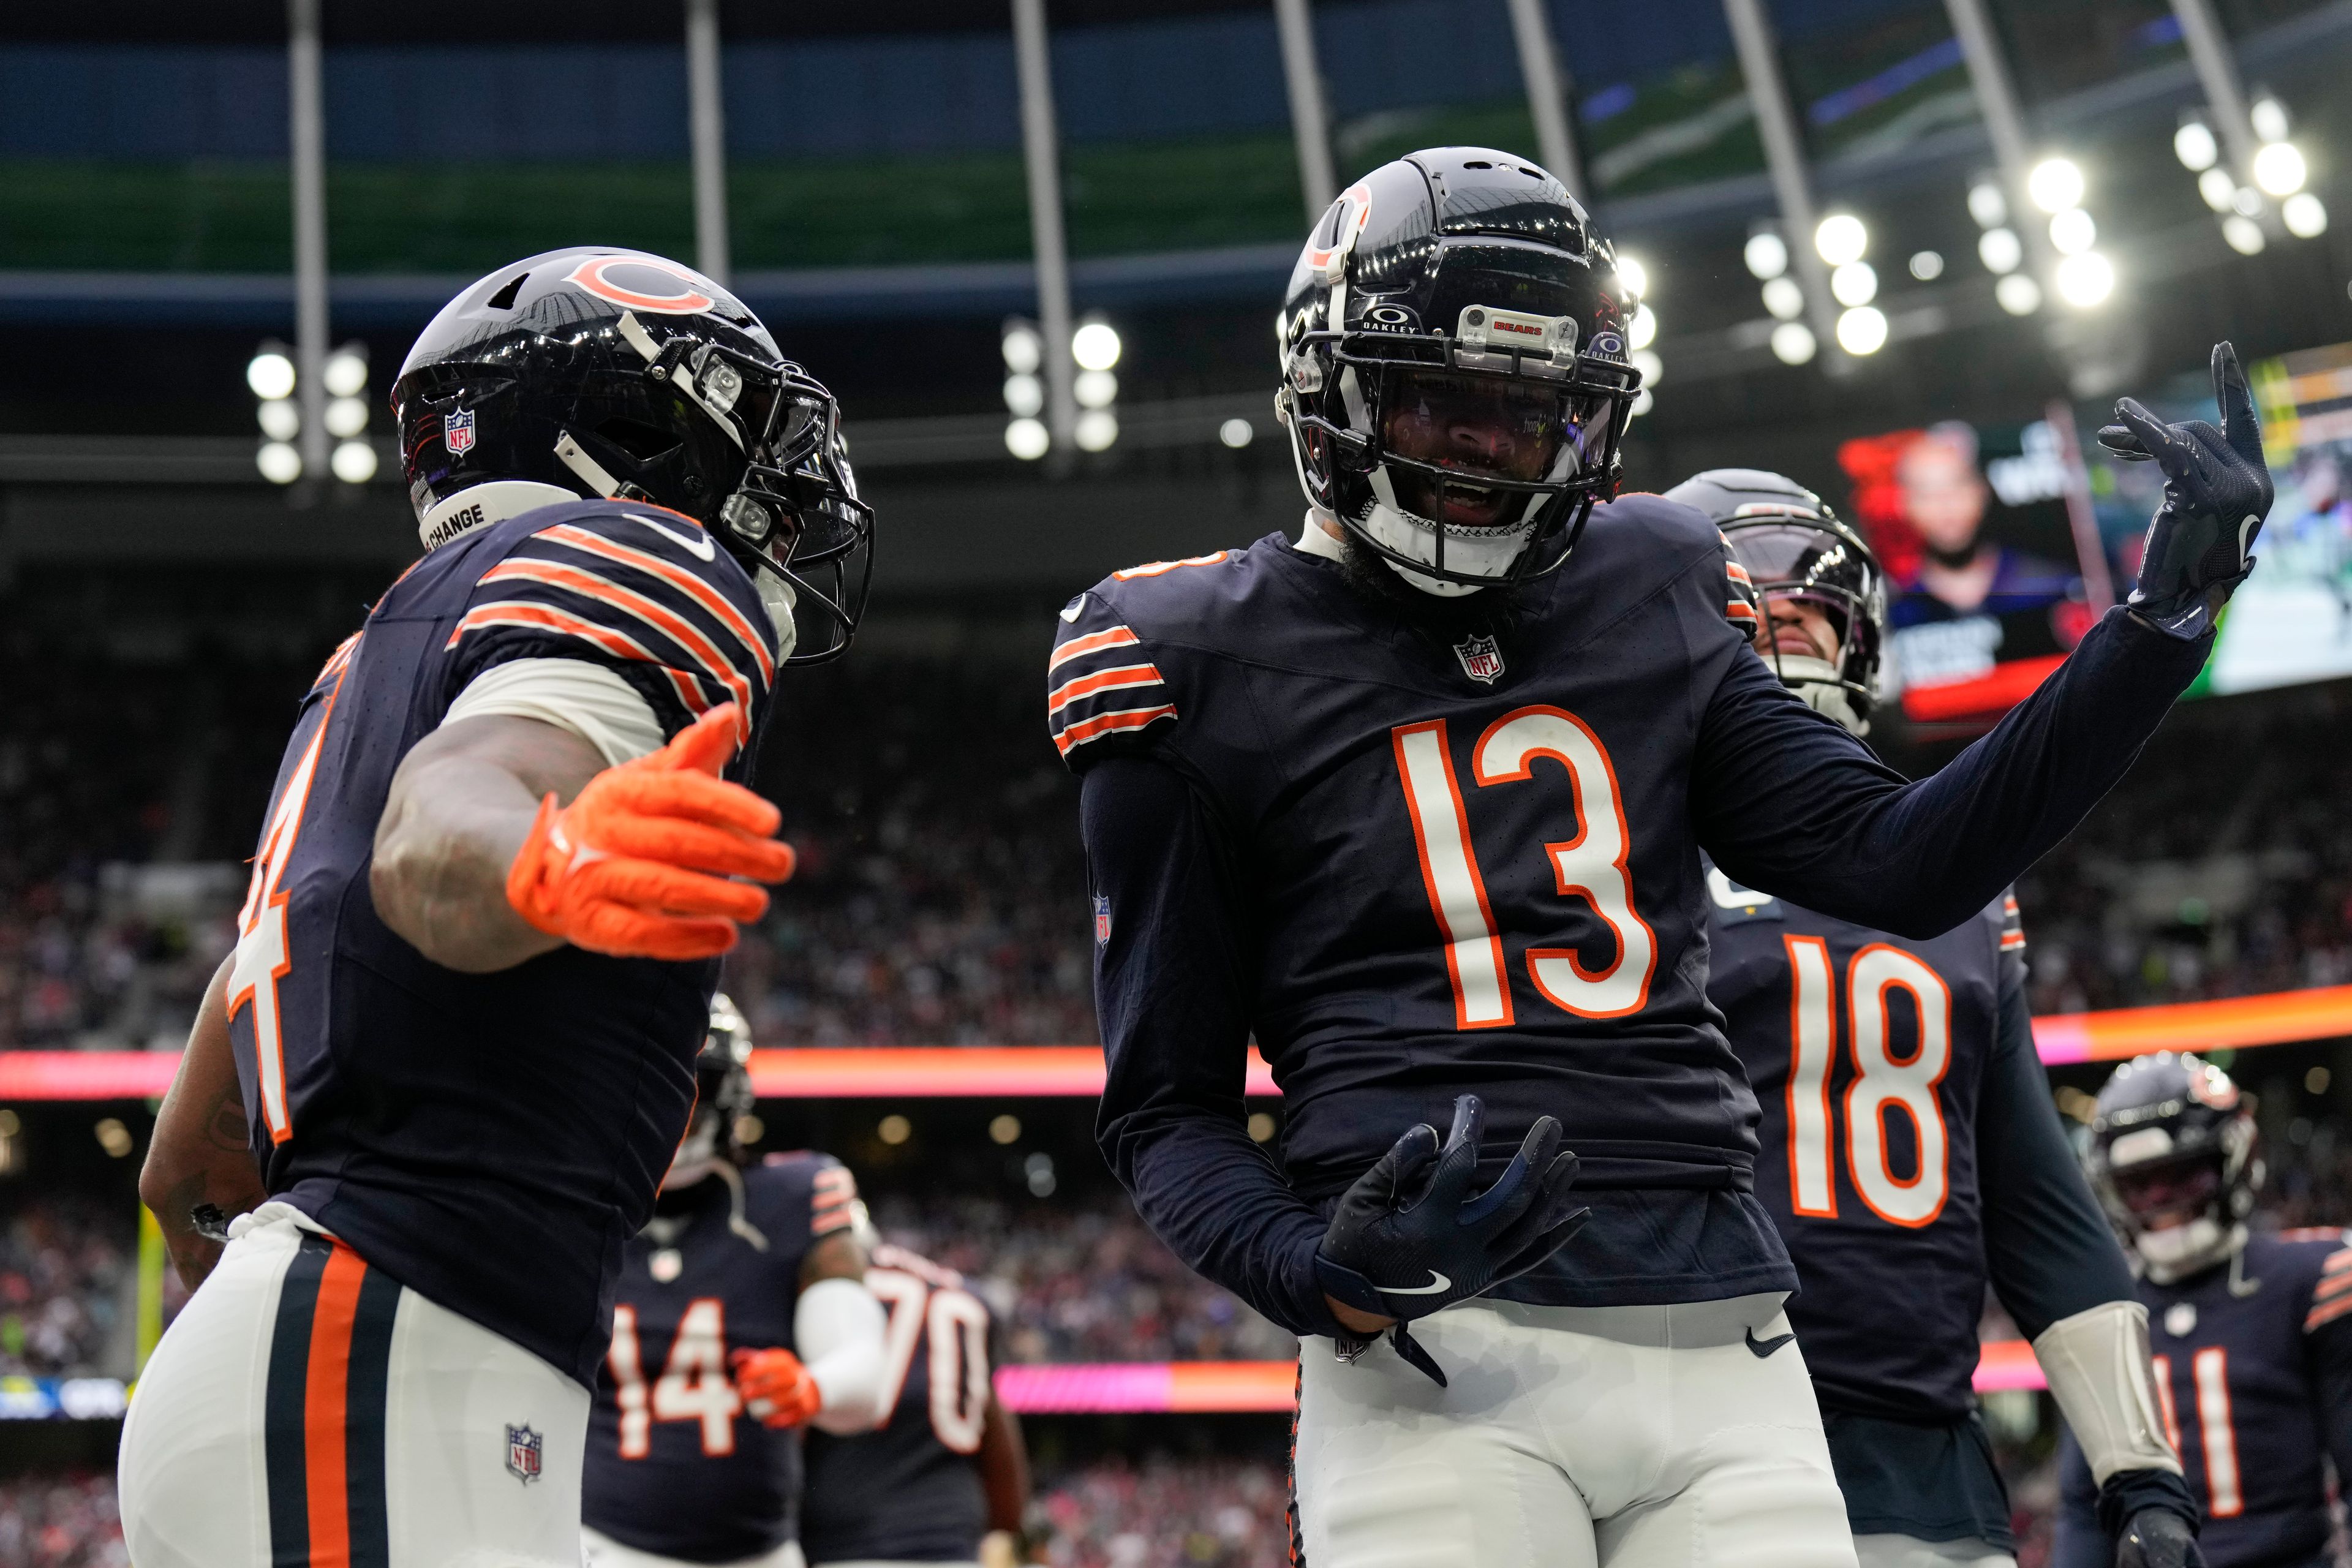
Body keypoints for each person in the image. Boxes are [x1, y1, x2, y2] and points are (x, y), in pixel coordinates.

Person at [1060, 146, 2271, 1568]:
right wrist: (1312, 1271)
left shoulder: (1650, 581)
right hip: (1435, 1364)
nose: (1474, 455)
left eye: (1526, 419)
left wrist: (2149, 630)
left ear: (1589, 423)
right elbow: (1164, 1108)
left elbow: (1899, 861)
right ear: (1328, 382)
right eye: (1438, 401)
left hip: (1720, 1345)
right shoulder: (1185, 651)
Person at [124, 246, 873, 1568]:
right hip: (392, 1354)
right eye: (744, 429)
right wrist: (549, 855)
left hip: (355, 1357)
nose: (780, 484)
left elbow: (194, 1159)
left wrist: (250, 1340)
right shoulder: (643, 551)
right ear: (635, 429)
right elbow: (444, 828)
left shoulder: (373, 667)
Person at [1672, 470, 2196, 1568]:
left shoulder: (1951, 875)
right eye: (1754, 598)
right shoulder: (1621, 850)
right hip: (1687, 1427)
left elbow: (2033, 1192)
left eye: (1812, 602)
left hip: (1928, 1452)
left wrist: (2140, 1474)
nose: (1791, 623)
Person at [582, 996, 889, 1568]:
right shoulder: (575, 1204)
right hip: (603, 1544)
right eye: (647, 1088)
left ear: (729, 1094)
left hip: (760, 1552)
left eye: (690, 1091)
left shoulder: (795, 1195)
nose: (670, 1113)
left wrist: (812, 1387)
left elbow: (862, 1370)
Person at [2053, 1053, 2352, 1568]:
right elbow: (2084, 1506)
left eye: (2183, 1174)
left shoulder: (2312, 1278)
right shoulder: (2101, 1307)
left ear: (2233, 1159)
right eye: (2140, 1184)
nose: (2162, 1200)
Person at [799, 1238, 1030, 1568]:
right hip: (951, 1546)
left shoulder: (826, 1279)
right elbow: (1008, 1505)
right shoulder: (968, 1298)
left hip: (845, 1545)